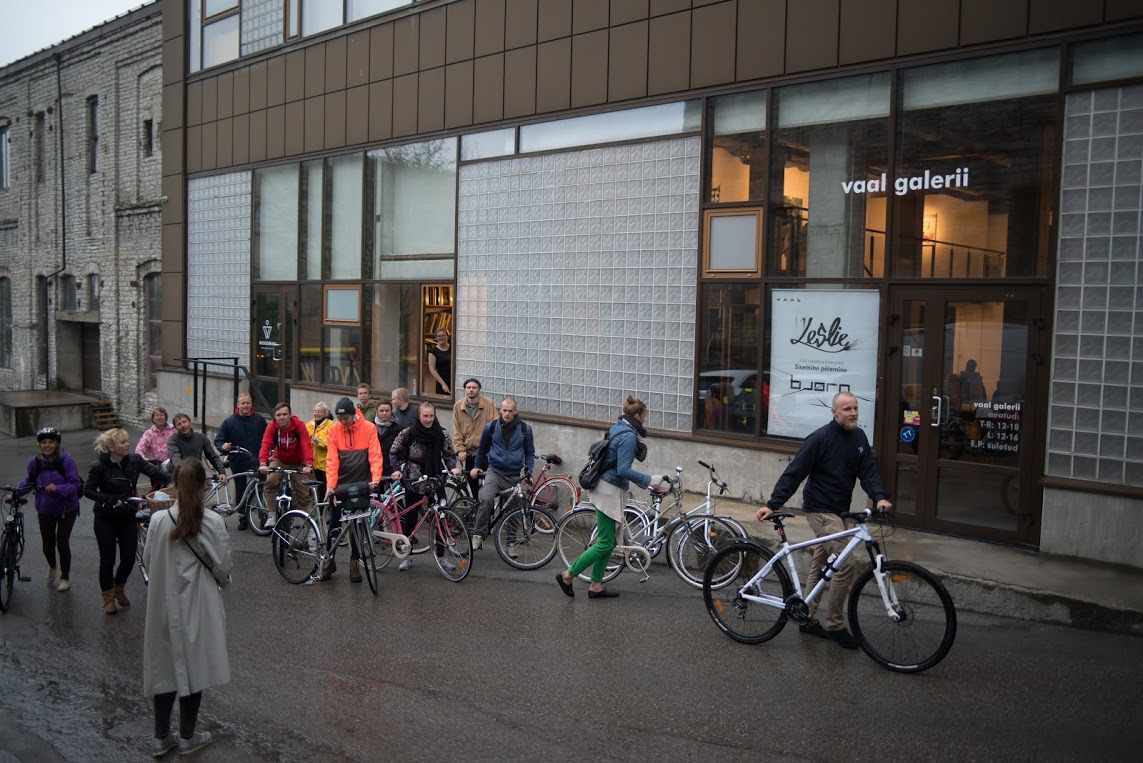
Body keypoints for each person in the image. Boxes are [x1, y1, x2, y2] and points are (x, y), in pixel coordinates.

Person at [756, 391, 892, 649]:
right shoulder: (820, 438)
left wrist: (879, 497)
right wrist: (772, 504)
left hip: (840, 511)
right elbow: (795, 472)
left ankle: (805, 616)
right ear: (834, 412)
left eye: (855, 408)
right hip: (820, 510)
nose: (853, 413)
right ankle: (835, 625)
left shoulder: (859, 438)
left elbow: (868, 471)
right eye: (847, 409)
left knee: (822, 564)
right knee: (845, 565)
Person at [143, 459, 232, 757]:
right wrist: (222, 581)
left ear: (175, 486)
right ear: (204, 484)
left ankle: (160, 736)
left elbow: (148, 560)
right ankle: (187, 735)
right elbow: (223, 565)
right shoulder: (212, 521)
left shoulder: (158, 520)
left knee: (165, 664)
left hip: (163, 602)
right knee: (195, 664)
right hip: (199, 601)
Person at [556, 396, 668, 600]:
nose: (645, 420)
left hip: (606, 486)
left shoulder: (618, 427)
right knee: (606, 542)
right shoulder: (629, 436)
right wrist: (650, 480)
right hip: (609, 490)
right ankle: (568, 575)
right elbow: (623, 469)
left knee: (607, 541)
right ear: (638, 415)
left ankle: (596, 585)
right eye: (644, 416)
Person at [85, 428, 169, 615]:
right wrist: (111, 500)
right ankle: (108, 599)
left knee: (129, 558)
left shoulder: (135, 460)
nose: (128, 444)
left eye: (127, 441)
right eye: (123, 442)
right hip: (105, 517)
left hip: (127, 515)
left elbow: (158, 474)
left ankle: (119, 587)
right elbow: (88, 490)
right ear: (111, 447)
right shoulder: (99, 466)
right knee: (107, 559)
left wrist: (180, 480)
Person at [4, 428, 83, 592]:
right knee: (47, 544)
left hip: (67, 508)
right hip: (45, 507)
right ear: (39, 444)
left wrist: (59, 488)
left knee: (62, 543)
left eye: (51, 442)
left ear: (56, 444)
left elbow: (75, 483)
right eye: (44, 442)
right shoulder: (35, 462)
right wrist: (14, 494)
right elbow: (28, 482)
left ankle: (65, 577)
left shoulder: (66, 460)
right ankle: (52, 567)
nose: (47, 445)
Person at [389, 401, 462, 571]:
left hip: (435, 477)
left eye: (431, 416)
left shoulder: (441, 433)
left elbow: (449, 454)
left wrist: (452, 467)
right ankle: (407, 555)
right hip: (414, 479)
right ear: (418, 416)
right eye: (425, 416)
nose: (429, 419)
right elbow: (394, 452)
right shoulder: (408, 433)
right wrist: (396, 469)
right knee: (411, 519)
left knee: (442, 516)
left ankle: (442, 557)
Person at [323, 397, 384, 582]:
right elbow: (332, 461)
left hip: (360, 483)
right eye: (339, 419)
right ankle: (329, 560)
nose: (343, 422)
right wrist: (330, 486)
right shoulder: (334, 430)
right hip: (340, 484)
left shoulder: (369, 428)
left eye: (346, 418)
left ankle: (354, 563)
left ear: (353, 415)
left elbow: (375, 456)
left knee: (358, 525)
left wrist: (375, 480)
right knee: (334, 523)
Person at [470, 397, 534, 550]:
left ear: (515, 411)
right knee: (486, 499)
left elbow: (530, 452)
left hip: (513, 475)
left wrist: (529, 471)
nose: (507, 414)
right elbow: (482, 449)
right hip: (495, 471)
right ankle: (478, 534)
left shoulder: (525, 430)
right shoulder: (491, 427)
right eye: (504, 410)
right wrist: (476, 466)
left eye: (510, 411)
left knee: (513, 511)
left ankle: (511, 544)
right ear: (500, 410)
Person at [214, 393, 268, 530]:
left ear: (251, 404)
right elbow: (219, 440)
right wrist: (223, 446)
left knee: (260, 488)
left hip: (257, 460)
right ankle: (242, 517)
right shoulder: (229, 422)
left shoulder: (260, 420)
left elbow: (268, 438)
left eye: (247, 403)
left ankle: (263, 516)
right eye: (242, 403)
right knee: (241, 489)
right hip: (238, 461)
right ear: (238, 405)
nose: (245, 406)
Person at [258, 402, 314, 528]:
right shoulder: (272, 426)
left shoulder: (299, 425)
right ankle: (272, 515)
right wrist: (262, 463)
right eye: (278, 415)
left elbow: (306, 444)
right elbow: (265, 443)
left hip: (298, 461)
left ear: (290, 415)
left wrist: (309, 464)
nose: (281, 417)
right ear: (275, 416)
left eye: (284, 414)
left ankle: (311, 528)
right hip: (280, 459)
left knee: (303, 493)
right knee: (271, 481)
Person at [452, 377, 496, 500]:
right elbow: (457, 430)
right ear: (465, 390)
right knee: (472, 485)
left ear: (479, 390)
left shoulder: (488, 404)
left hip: (486, 453)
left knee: (489, 486)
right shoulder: (458, 406)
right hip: (469, 453)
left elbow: (495, 427)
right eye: (468, 388)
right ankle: (475, 506)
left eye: (474, 387)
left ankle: (489, 509)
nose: (471, 390)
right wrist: (460, 449)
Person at [167, 414, 228, 485]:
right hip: (180, 474)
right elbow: (176, 458)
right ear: (175, 428)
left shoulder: (201, 437)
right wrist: (185, 473)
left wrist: (222, 472)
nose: (183, 425)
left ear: (190, 423)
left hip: (196, 472)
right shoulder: (173, 439)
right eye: (179, 424)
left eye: (184, 422)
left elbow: (213, 456)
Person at [136, 406, 175, 489]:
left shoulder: (173, 430)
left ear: (166, 417)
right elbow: (139, 449)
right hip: (156, 467)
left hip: (172, 464)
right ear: (153, 419)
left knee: (173, 487)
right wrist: (143, 458)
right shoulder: (149, 433)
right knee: (157, 490)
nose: (159, 417)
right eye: (157, 415)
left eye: (162, 415)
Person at [306, 402, 333, 487]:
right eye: (315, 411)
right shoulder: (308, 425)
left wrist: (314, 439)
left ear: (325, 413)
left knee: (324, 488)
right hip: (311, 464)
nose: (316, 414)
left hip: (325, 464)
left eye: (319, 412)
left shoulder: (331, 425)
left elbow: (328, 444)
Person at [374, 400, 401, 476]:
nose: (384, 413)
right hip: (374, 467)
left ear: (391, 411)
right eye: (381, 411)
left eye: (387, 411)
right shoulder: (370, 427)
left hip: (391, 468)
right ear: (377, 412)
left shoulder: (398, 429)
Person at [427, 328, 452, 397]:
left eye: (443, 335)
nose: (441, 338)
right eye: (439, 336)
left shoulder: (453, 348)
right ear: (436, 338)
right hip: (441, 382)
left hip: (454, 381)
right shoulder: (433, 351)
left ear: (447, 336)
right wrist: (443, 384)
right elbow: (432, 369)